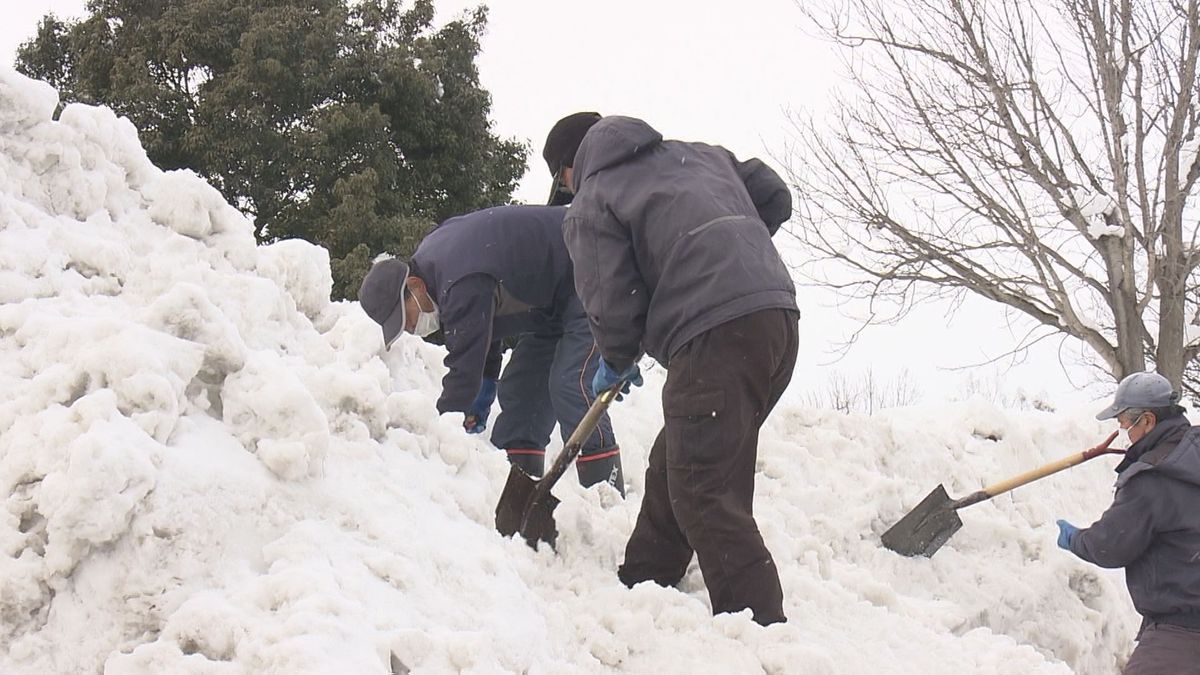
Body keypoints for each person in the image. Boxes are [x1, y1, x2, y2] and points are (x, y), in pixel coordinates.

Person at [543, 112, 799, 625]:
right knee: (682, 457)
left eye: (564, 184)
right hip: (778, 320)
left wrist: (615, 358)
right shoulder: (700, 155)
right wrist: (729, 249)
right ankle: (647, 575)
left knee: (704, 487)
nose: (570, 194)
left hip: (716, 335)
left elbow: (611, 302)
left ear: (571, 169)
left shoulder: (594, 199)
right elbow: (774, 194)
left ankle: (762, 632)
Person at [358, 204, 624, 493]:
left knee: (572, 384)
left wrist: (437, 438)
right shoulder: (440, 268)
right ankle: (517, 504)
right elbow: (484, 319)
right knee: (522, 392)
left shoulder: (457, 281)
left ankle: (607, 497)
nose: (410, 328)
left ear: (414, 285)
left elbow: (463, 373)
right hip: (554, 301)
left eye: (405, 318)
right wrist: (486, 381)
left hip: (596, 268)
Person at [1056, 371, 1200, 674]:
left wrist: (1074, 539)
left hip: (1181, 632)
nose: (1125, 433)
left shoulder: (1153, 477)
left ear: (1147, 420)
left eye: (1125, 424)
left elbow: (1110, 546)